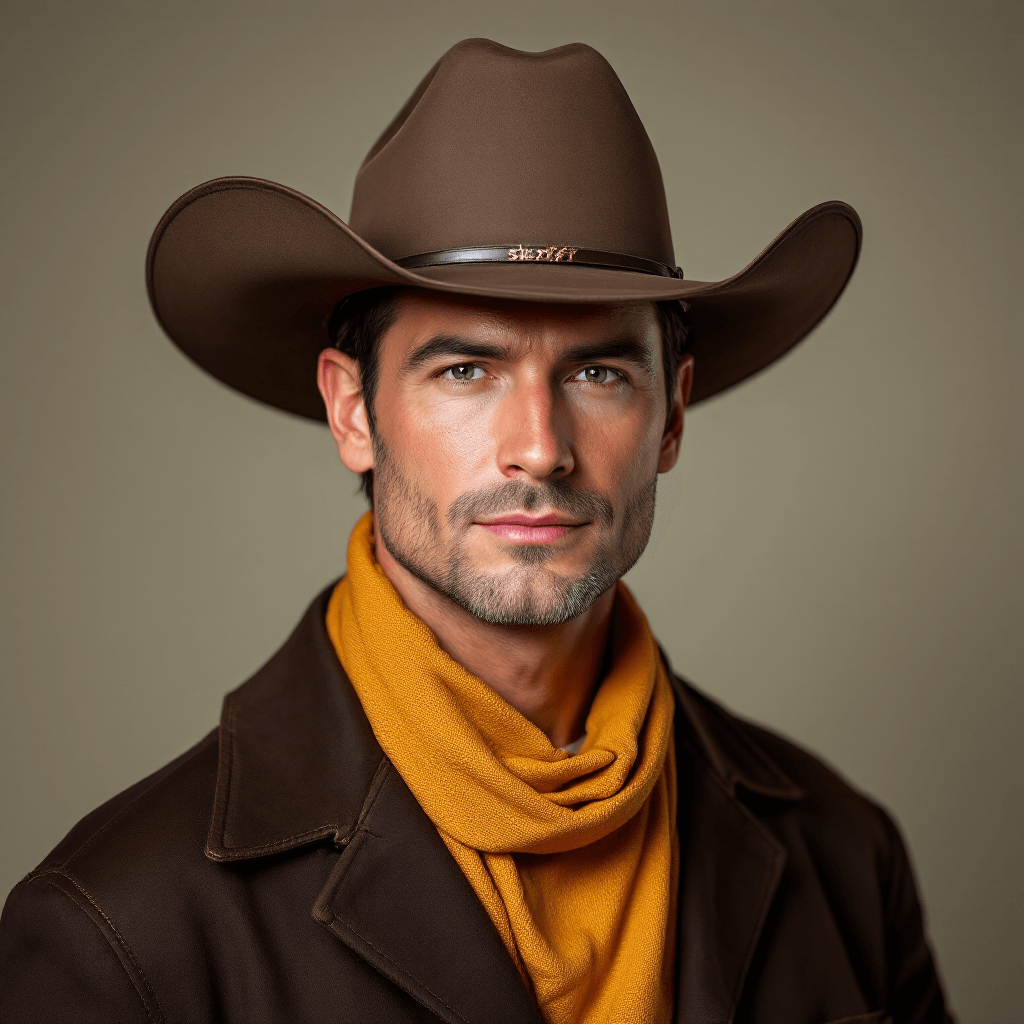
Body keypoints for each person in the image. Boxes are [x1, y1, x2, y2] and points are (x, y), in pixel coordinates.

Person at [0, 38, 953, 1024]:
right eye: (465, 370)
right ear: (352, 412)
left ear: (670, 416)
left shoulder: (844, 859)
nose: (538, 449)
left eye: (598, 372)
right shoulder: (121, 935)